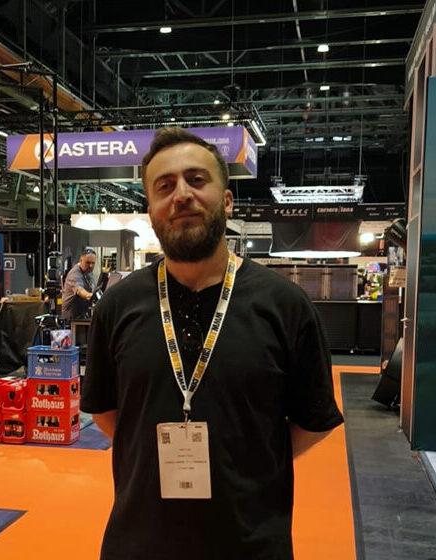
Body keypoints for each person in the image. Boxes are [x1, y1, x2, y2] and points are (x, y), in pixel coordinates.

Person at [81, 127, 343, 560]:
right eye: (165, 186)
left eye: (196, 180)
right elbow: (108, 414)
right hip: (140, 542)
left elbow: (313, 420)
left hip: (251, 543)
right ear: (151, 210)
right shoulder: (118, 305)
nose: (181, 195)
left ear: (227, 201)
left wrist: (247, 461)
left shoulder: (284, 305)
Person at [61, 248, 96, 321]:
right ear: (80, 260)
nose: (90, 266)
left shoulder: (89, 272)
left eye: (93, 263)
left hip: (82, 315)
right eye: (88, 262)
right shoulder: (75, 274)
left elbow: (93, 288)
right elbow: (80, 290)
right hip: (71, 319)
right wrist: (89, 295)